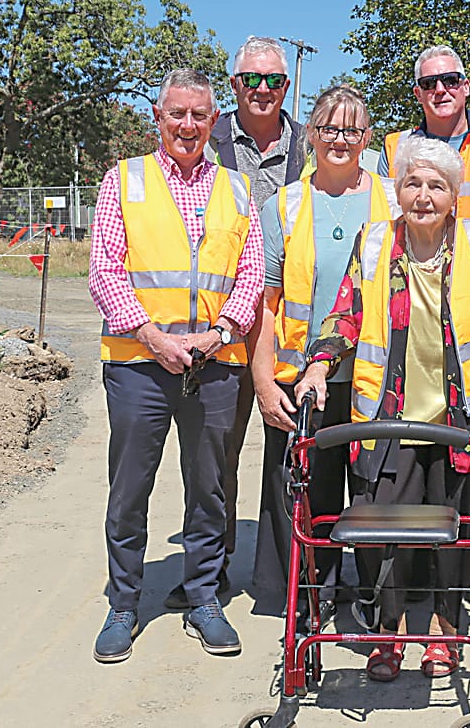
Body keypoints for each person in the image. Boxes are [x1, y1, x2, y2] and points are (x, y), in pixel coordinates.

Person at [294, 136, 470, 682]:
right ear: (398, 191)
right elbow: (343, 316)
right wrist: (319, 365)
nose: (423, 195)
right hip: (385, 418)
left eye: (436, 185)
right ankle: (387, 631)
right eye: (412, 183)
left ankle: (444, 628)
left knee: (459, 528)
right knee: (380, 533)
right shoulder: (374, 244)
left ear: (454, 195)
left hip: (457, 418)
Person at [88, 69, 264, 662]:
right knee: (130, 487)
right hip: (140, 362)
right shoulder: (125, 180)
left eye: (200, 115)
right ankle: (123, 603)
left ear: (215, 123)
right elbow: (105, 271)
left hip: (213, 364)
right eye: (177, 114)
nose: (188, 125)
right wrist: (153, 335)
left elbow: (250, 274)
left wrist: (218, 334)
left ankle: (203, 596)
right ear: (158, 118)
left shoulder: (237, 189)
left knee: (210, 487)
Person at [160, 38, 305, 611]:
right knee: (212, 457)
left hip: (287, 324)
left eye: (272, 80)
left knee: (292, 455)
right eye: (251, 79)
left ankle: (293, 573)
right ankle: (208, 571)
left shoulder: (309, 144)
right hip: (217, 327)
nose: (262, 90)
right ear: (234, 85)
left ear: (286, 87)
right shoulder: (207, 140)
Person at [247, 85, 396, 621]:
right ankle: (310, 596)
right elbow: (263, 303)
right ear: (310, 134)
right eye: (329, 128)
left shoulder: (393, 200)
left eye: (351, 129)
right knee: (306, 494)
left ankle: (373, 597)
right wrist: (263, 381)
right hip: (299, 379)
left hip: (375, 377)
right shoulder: (283, 205)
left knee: (375, 492)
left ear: (366, 138)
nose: (340, 139)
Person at [377, 45, 470, 224]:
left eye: (450, 80)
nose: (439, 90)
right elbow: (385, 222)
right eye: (428, 83)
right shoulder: (395, 147)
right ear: (418, 94)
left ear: (466, 87)